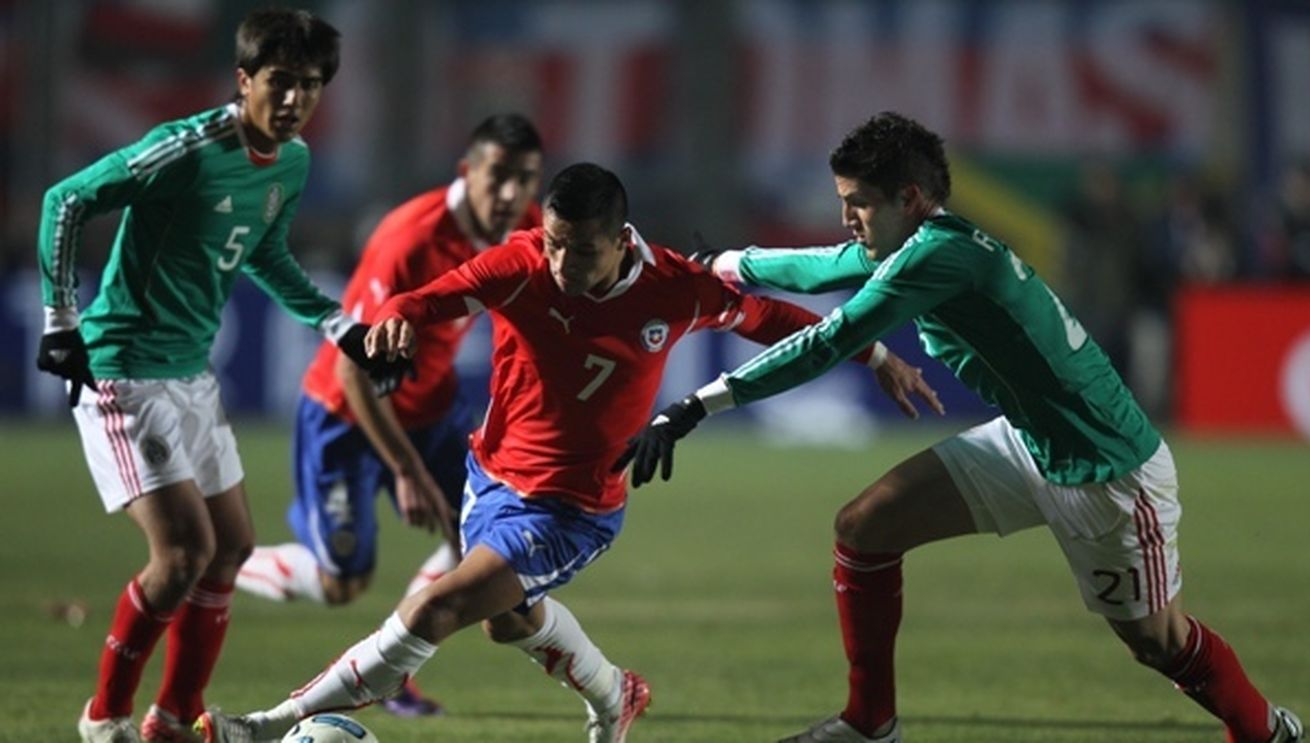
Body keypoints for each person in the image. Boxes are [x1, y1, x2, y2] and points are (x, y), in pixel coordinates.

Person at [619, 112, 1305, 743]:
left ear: (911, 198)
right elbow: (823, 264)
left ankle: (1265, 731)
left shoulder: (936, 257)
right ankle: (869, 722)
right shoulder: (919, 240)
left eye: (859, 202)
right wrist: (725, 263)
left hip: (1107, 469)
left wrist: (693, 406)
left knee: (1159, 642)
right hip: (1031, 440)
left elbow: (830, 339)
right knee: (865, 526)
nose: (847, 216)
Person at [195, 162, 939, 743]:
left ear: (622, 240)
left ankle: (261, 725)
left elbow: (766, 316)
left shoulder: (674, 286)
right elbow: (424, 298)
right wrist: (394, 319)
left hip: (573, 508)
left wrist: (871, 353)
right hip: (488, 478)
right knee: (506, 620)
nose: (560, 263)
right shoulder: (519, 263)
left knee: (441, 603)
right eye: (553, 242)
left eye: (580, 251)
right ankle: (617, 692)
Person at [34, 9, 403, 742]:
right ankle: (104, 717)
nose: (296, 100)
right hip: (125, 368)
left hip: (191, 373)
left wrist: (341, 329)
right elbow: (65, 200)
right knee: (181, 555)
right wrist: (59, 321)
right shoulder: (184, 147)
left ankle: (172, 720)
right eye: (280, 82)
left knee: (231, 546)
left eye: (311, 85)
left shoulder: (290, 161)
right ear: (244, 80)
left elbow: (264, 253)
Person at [234, 113, 545, 717]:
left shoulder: (529, 229)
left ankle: (393, 670)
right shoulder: (410, 240)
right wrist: (406, 469)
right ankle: (228, 562)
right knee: (341, 581)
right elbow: (354, 369)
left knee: (482, 543)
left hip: (431, 409)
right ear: (468, 171)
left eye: (525, 180)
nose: (510, 195)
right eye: (499, 177)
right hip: (348, 416)